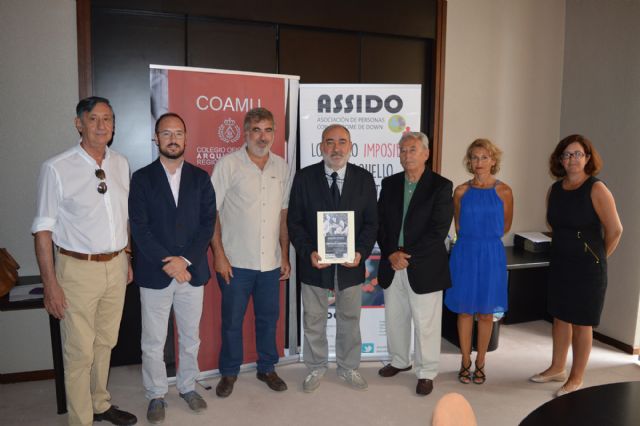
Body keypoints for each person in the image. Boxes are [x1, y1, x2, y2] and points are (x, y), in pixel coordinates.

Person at [32, 97, 137, 426]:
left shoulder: (121, 163)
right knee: (79, 351)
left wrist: (128, 256)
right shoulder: (57, 167)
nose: (102, 125)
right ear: (79, 124)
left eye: (108, 119)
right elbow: (43, 231)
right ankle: (81, 420)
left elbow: (124, 217)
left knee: (106, 340)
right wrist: (51, 284)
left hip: (116, 265)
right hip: (77, 269)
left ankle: (100, 403)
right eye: (94, 119)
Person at [129, 113, 216, 423]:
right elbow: (139, 228)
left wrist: (186, 261)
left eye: (178, 132)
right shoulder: (141, 178)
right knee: (153, 340)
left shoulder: (201, 177)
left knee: (190, 336)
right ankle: (155, 393)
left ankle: (188, 386)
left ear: (186, 138)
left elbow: (207, 224)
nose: (172, 138)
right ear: (156, 139)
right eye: (166, 133)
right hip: (156, 272)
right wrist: (170, 262)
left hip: (191, 273)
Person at [530, 134, 622, 396]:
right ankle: (557, 367)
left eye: (578, 154)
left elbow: (615, 230)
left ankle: (576, 377)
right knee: (560, 317)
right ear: (560, 159)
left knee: (582, 323)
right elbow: (555, 226)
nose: (572, 159)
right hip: (560, 262)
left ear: (588, 158)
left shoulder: (596, 189)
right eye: (567, 154)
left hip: (588, 268)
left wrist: (597, 258)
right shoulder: (555, 190)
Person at [288, 124, 378, 392]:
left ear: (350, 146)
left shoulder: (364, 178)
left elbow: (372, 224)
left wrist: (360, 253)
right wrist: (308, 253)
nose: (336, 148)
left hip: (350, 266)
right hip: (315, 264)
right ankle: (316, 366)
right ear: (321, 147)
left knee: (349, 319)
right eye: (330, 142)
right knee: (314, 318)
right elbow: (295, 223)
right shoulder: (304, 178)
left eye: (342, 142)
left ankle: (348, 367)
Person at [210, 107, 291, 397]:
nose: (262, 136)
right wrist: (218, 254)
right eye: (256, 130)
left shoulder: (282, 167)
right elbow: (212, 212)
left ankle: (267, 368)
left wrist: (284, 255)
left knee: (268, 319)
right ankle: (229, 373)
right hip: (236, 262)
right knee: (232, 321)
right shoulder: (228, 165)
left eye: (268, 130)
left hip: (269, 263)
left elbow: (283, 215)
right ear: (245, 133)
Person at [377, 132, 453, 396]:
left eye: (412, 150)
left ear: (426, 154)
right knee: (395, 317)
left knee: (426, 323)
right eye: (402, 150)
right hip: (392, 262)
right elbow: (381, 224)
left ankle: (426, 371)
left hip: (424, 265)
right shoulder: (389, 184)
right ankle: (400, 360)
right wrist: (390, 254)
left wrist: (404, 255)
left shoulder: (441, 186)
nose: (406, 155)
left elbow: (438, 230)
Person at [444, 138, 513, 385]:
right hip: (465, 253)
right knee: (464, 310)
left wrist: (484, 238)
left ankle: (481, 362)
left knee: (486, 312)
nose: (479, 162)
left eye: (484, 157)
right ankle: (464, 361)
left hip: (491, 254)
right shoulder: (461, 191)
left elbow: (505, 226)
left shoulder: (504, 191)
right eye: (474, 157)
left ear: (493, 161)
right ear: (469, 161)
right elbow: (459, 225)